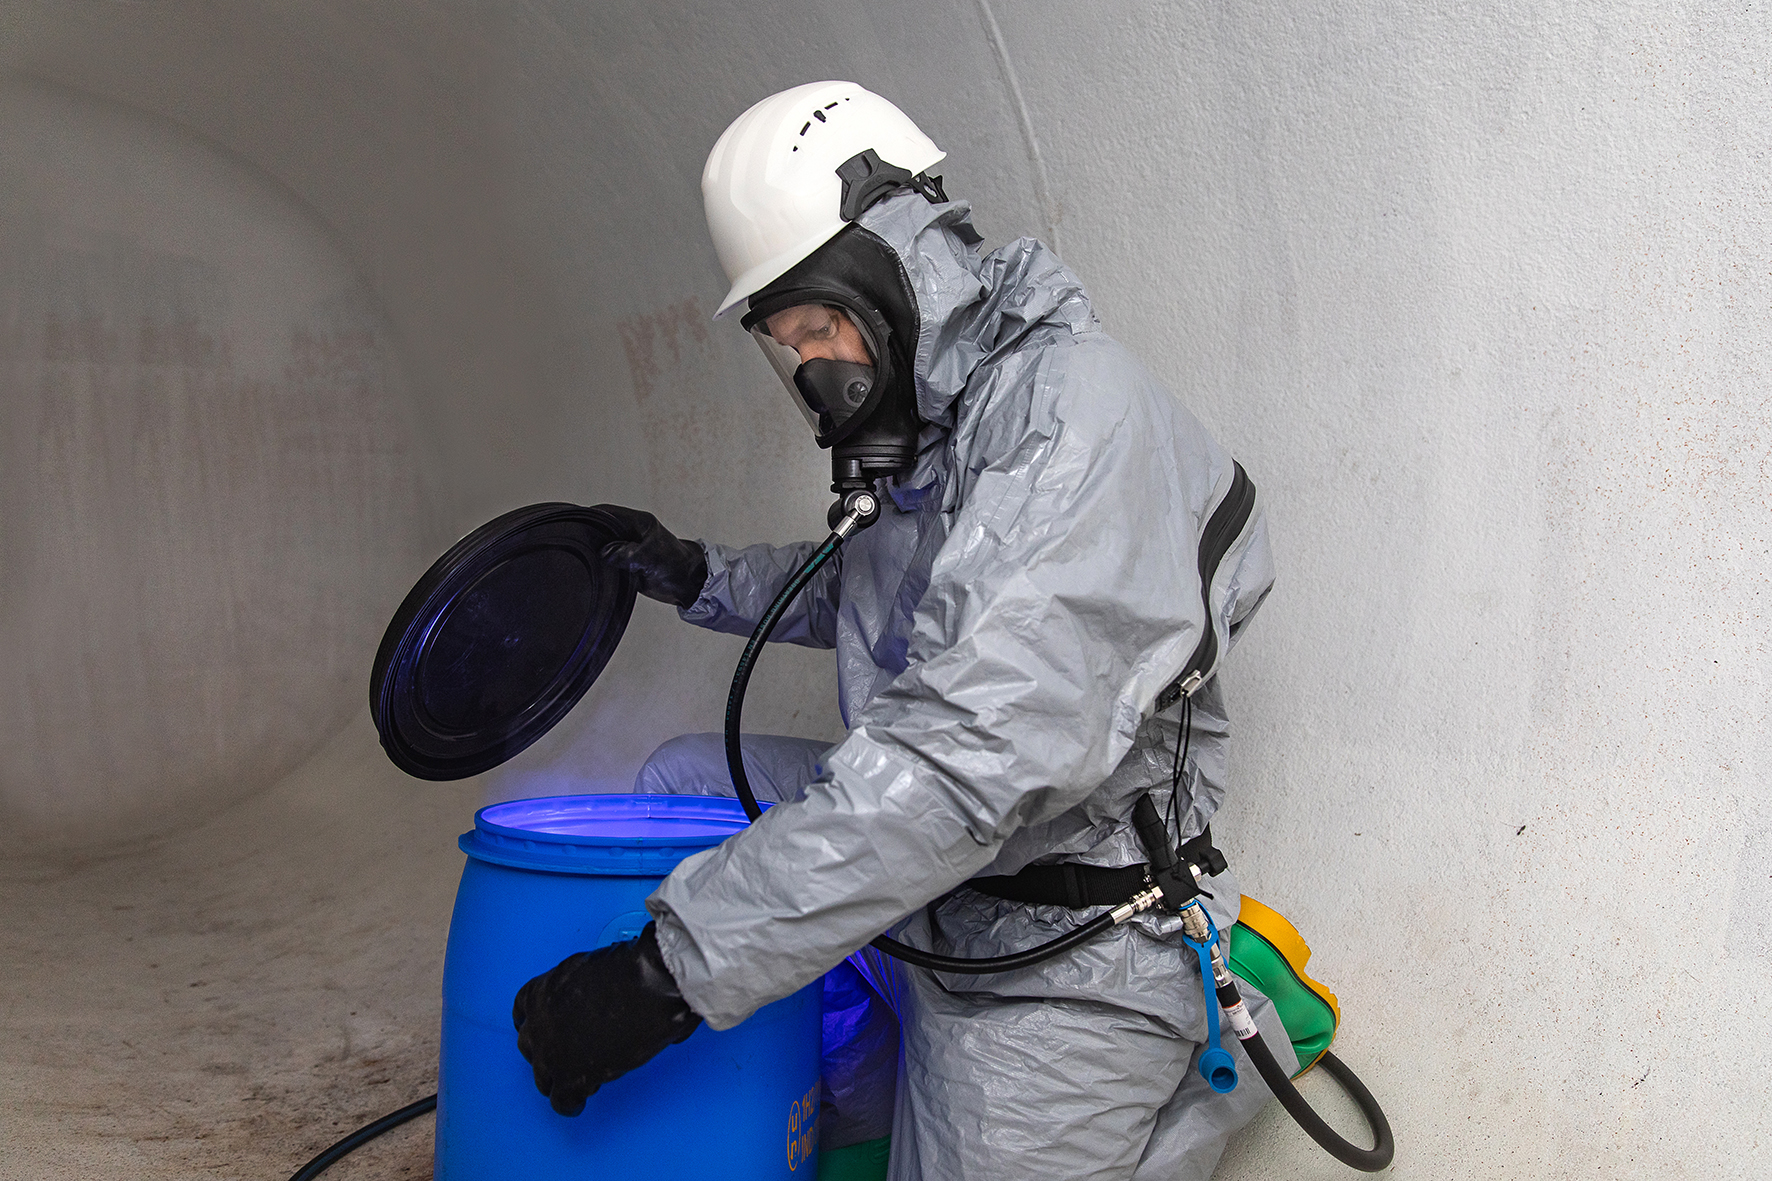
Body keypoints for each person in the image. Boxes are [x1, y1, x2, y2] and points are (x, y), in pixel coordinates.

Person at [511, 80, 1294, 1181]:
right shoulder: (938, 431)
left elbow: (961, 758)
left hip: (1050, 952)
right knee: (685, 778)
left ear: (894, 266)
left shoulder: (1074, 422)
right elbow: (857, 595)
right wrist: (692, 573)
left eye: (819, 327)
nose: (814, 375)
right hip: (944, 893)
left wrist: (664, 976)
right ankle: (853, 1078)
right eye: (787, 347)